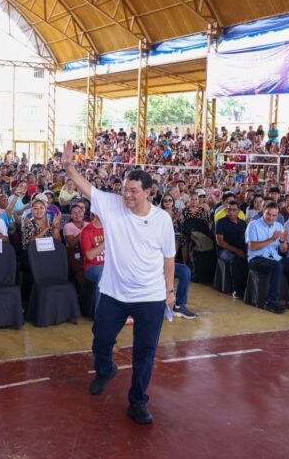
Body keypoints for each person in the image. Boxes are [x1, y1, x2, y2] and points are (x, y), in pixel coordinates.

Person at [62, 140, 174, 425]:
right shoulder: (112, 205)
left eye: (134, 191)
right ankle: (105, 370)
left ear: (148, 192)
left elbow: (169, 258)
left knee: (144, 352)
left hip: (150, 296)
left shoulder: (162, 220)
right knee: (101, 339)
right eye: (125, 188)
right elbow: (86, 187)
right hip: (113, 292)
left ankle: (137, 401)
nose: (127, 194)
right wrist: (68, 167)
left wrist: (169, 290)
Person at [215, 199, 248, 298]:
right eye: (229, 210)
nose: (231, 212)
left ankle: (247, 288)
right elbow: (219, 241)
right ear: (226, 210)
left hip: (241, 248)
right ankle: (236, 290)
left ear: (238, 211)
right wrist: (236, 251)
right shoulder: (221, 222)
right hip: (224, 250)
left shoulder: (242, 223)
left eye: (234, 210)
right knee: (236, 260)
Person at [80, 212, 105, 311]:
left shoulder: (111, 228)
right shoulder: (87, 231)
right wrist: (106, 240)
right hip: (92, 267)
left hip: (110, 266)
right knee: (104, 273)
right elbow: (90, 256)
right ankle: (100, 313)